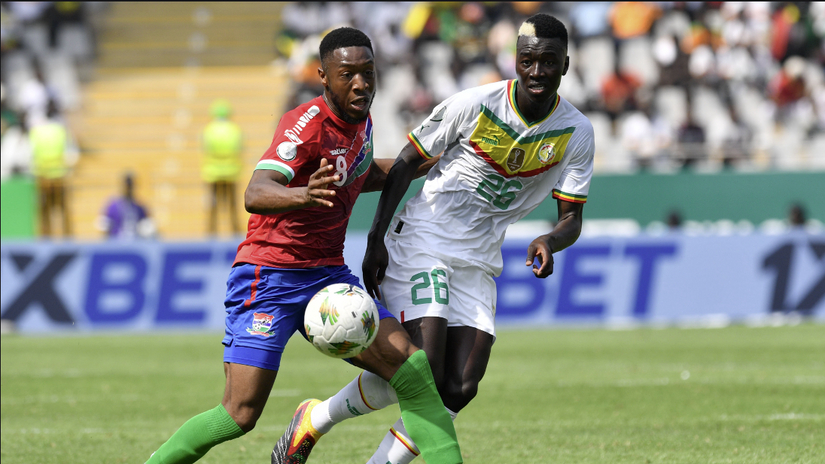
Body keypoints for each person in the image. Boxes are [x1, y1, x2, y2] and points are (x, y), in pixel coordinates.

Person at [273, 14, 595, 464]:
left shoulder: (576, 133)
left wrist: (550, 239)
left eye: (548, 62)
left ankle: (316, 416)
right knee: (420, 366)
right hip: (424, 238)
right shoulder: (475, 104)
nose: (537, 71)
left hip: (479, 258)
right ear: (515, 61)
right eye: (528, 61)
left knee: (460, 386)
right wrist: (376, 239)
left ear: (565, 64)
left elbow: (571, 218)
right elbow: (404, 164)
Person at [145, 27, 462, 464]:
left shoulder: (362, 122)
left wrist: (433, 159)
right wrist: (302, 195)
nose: (361, 84)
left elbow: (361, 175)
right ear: (323, 77)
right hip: (269, 277)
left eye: (368, 73)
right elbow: (256, 191)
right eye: (347, 74)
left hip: (328, 276)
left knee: (411, 367)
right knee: (239, 414)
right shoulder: (305, 124)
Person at [29, 100, 75, 238]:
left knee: (44, 213)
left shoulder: (36, 131)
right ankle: (68, 239)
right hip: (59, 177)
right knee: (63, 212)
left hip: (42, 178)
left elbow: (30, 154)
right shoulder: (61, 130)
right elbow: (71, 154)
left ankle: (46, 239)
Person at [202, 99, 243, 237]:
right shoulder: (234, 129)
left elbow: (206, 149)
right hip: (231, 172)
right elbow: (239, 148)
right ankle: (236, 233)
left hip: (212, 173)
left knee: (213, 207)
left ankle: (211, 234)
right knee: (232, 207)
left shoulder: (209, 129)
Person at [96, 172, 155, 240]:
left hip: (136, 243)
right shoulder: (113, 206)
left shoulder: (139, 207)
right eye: (127, 186)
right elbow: (105, 227)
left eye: (130, 186)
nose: (128, 189)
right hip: (116, 243)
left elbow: (147, 225)